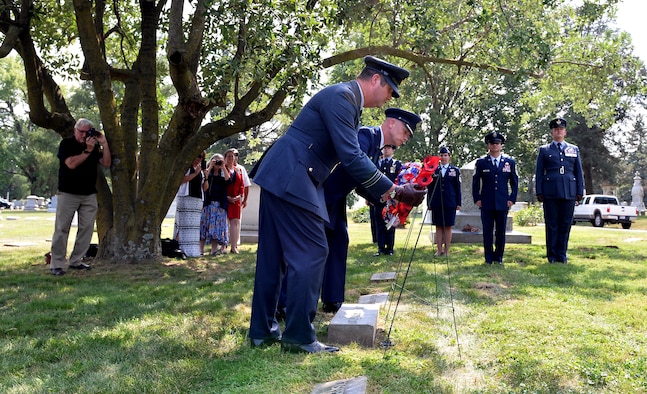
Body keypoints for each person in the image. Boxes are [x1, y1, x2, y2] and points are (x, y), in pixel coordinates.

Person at [248, 56, 426, 354]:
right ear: (375, 80)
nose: (387, 100)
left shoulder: (345, 100)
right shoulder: (343, 97)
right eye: (389, 91)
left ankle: (262, 332)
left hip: (283, 174)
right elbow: (352, 157)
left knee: (274, 256)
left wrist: (385, 194)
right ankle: (299, 337)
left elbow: (350, 165)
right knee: (314, 251)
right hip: (293, 176)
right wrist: (394, 190)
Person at [320, 108, 421, 313]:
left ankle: (332, 299)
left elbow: (361, 184)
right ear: (391, 123)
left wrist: (390, 201)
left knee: (339, 243)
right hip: (319, 196)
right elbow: (356, 168)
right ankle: (284, 303)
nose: (406, 138)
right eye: (405, 132)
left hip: (335, 200)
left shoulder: (376, 146)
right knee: (310, 249)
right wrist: (395, 191)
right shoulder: (365, 136)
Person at [49, 118, 112, 276]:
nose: (84, 135)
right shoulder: (67, 144)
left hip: (89, 194)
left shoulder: (94, 146)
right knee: (62, 229)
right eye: (81, 131)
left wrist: (103, 144)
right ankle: (57, 264)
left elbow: (106, 163)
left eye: (87, 132)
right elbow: (71, 163)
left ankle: (76, 261)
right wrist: (88, 151)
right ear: (75, 130)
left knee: (87, 228)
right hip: (68, 193)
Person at [535, 118, 584, 264]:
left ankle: (562, 255)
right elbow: (539, 173)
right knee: (552, 224)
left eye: (561, 129)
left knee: (565, 224)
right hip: (550, 192)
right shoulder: (544, 150)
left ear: (565, 132)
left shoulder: (573, 149)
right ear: (551, 132)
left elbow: (578, 172)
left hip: (569, 192)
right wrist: (539, 191)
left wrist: (580, 191)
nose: (559, 131)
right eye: (556, 129)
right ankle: (552, 255)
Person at [472, 131, 518, 265]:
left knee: (501, 231)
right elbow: (476, 183)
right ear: (488, 145)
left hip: (503, 202)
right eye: (492, 143)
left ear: (501, 145)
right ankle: (488, 257)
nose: (494, 146)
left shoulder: (509, 162)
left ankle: (499, 257)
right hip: (486, 202)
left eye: (497, 143)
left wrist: (512, 199)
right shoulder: (481, 162)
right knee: (487, 231)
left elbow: (514, 182)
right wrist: (477, 198)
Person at [426, 146, 461, 256]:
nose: (443, 157)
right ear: (439, 157)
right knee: (438, 226)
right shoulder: (434, 170)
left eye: (445, 155)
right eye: (441, 155)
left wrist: (458, 203)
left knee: (448, 226)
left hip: (450, 202)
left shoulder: (455, 171)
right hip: (436, 202)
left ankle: (447, 250)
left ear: (449, 157)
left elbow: (458, 188)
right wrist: (429, 202)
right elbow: (430, 188)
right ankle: (439, 250)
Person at [174, 151, 206, 257]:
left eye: (202, 158)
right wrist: (195, 174)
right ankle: (180, 248)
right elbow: (181, 180)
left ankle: (192, 250)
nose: (199, 159)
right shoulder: (187, 168)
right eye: (198, 156)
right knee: (183, 225)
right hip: (185, 198)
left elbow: (205, 187)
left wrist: (205, 176)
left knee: (194, 227)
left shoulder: (200, 170)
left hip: (197, 200)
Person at [372, 144, 402, 256]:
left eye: (388, 148)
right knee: (379, 222)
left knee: (390, 222)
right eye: (384, 148)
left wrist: (395, 196)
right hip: (379, 198)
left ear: (393, 150)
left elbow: (399, 181)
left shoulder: (397, 164)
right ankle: (380, 247)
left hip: (391, 199)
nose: (386, 150)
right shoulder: (377, 163)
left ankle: (390, 248)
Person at [201, 154, 232, 255]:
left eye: (220, 161)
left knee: (216, 228)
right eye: (216, 161)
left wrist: (223, 167)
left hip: (220, 204)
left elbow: (229, 181)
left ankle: (214, 250)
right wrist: (210, 167)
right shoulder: (207, 172)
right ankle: (200, 250)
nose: (218, 163)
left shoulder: (223, 173)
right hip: (208, 203)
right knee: (204, 226)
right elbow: (203, 179)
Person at [224, 148, 246, 254]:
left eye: (232, 156)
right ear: (225, 158)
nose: (231, 158)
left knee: (235, 223)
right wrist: (227, 197)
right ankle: (223, 246)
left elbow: (242, 184)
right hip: (225, 199)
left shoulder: (238, 170)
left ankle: (233, 247)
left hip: (236, 200)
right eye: (228, 156)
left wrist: (240, 196)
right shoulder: (222, 169)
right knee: (224, 222)